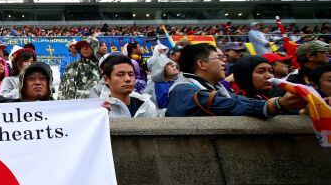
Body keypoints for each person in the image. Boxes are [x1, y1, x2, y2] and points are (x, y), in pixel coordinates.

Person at [166, 43, 305, 118]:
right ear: (202, 64)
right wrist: (277, 104)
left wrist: (298, 111)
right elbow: (227, 104)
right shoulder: (183, 90)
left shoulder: (217, 88)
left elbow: (238, 100)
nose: (224, 63)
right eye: (219, 59)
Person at [99, 54, 158, 118]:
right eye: (120, 75)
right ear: (106, 79)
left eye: (131, 74)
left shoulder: (146, 106)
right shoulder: (101, 110)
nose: (128, 79)